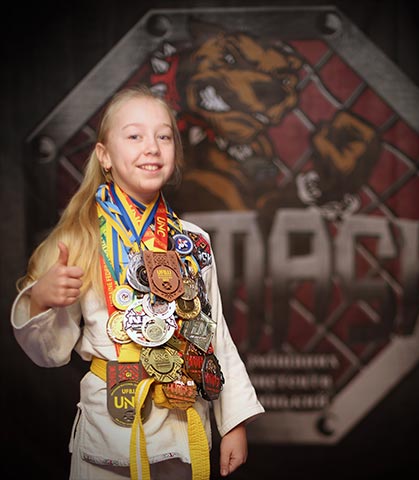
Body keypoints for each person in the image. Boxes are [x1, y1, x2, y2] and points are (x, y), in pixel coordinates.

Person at [11, 84, 264, 480]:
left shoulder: (192, 242)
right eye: (134, 136)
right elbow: (50, 354)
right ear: (104, 156)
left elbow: (214, 336)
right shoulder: (78, 240)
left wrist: (233, 421)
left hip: (180, 419)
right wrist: (40, 300)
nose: (152, 148)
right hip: (109, 429)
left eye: (164, 137)